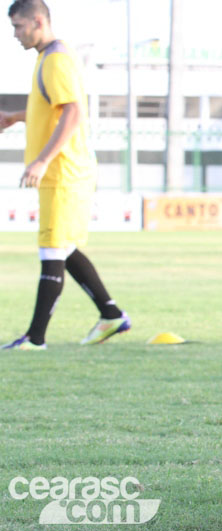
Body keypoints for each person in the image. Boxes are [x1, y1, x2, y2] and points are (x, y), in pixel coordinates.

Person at [1, 0, 130, 351]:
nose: (14, 34)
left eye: (18, 26)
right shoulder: (49, 57)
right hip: (61, 173)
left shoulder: (56, 59)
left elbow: (73, 113)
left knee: (51, 249)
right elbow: (50, 110)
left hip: (63, 172)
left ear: (38, 21)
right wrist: (15, 116)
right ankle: (111, 314)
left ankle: (36, 339)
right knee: (64, 247)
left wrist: (42, 161)